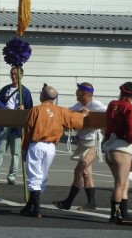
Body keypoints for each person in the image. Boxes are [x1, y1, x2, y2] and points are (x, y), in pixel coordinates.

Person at [20, 85, 89, 218]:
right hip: (51, 147)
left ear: (43, 96)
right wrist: (84, 115)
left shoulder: (36, 109)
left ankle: (37, 209)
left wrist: (24, 149)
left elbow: (28, 130)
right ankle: (30, 206)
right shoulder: (60, 110)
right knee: (43, 175)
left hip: (37, 144)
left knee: (34, 175)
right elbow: (73, 120)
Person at [52, 82, 106, 211]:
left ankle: (68, 202)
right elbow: (66, 113)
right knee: (86, 173)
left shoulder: (96, 105)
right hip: (82, 142)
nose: (75, 93)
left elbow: (108, 113)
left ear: (85, 93)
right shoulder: (77, 106)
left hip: (94, 142)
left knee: (79, 170)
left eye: (78, 91)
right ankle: (91, 203)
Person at [0, 67, 33, 185]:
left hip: (17, 125)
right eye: (12, 74)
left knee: (16, 152)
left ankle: (12, 176)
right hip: (5, 122)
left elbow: (30, 110)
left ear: (21, 76)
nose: (13, 76)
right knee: (0, 149)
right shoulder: (5, 90)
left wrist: (24, 110)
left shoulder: (25, 92)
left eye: (16, 74)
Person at [101, 81, 132, 225]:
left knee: (123, 182)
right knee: (120, 183)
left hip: (109, 145)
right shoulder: (131, 108)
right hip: (122, 147)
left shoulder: (112, 104)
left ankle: (124, 213)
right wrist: (131, 140)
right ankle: (114, 216)